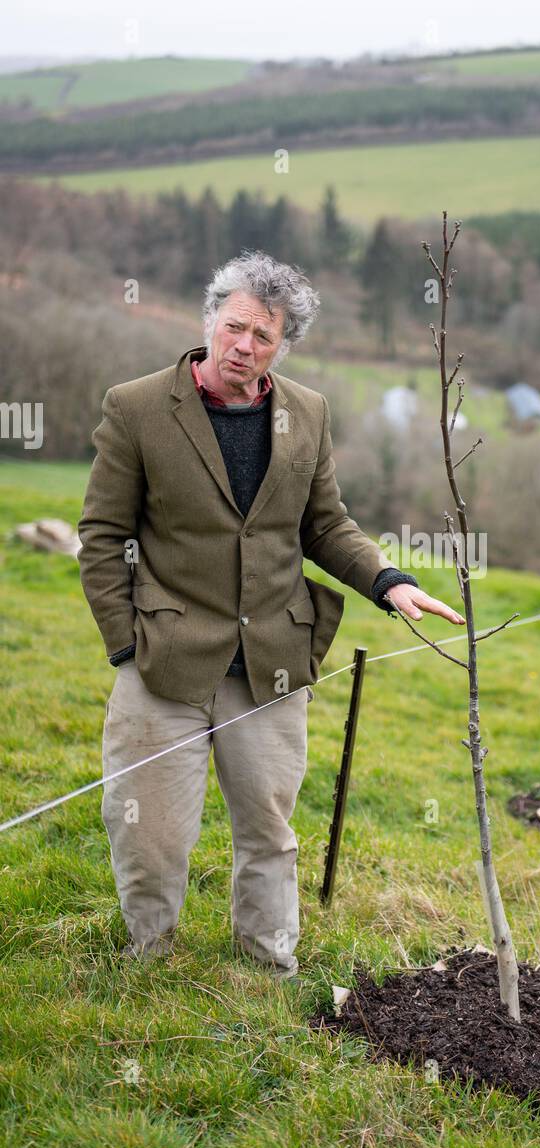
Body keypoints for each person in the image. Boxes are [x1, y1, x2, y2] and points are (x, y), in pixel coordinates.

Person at [78, 250, 464, 978]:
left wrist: (388, 580)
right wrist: (125, 645)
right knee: (152, 833)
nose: (244, 347)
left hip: (272, 667)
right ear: (209, 322)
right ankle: (147, 960)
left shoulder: (307, 414)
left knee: (269, 830)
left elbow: (325, 526)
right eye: (235, 328)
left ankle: (268, 968)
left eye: (264, 336)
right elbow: (102, 536)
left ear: (284, 344)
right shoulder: (134, 407)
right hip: (164, 661)